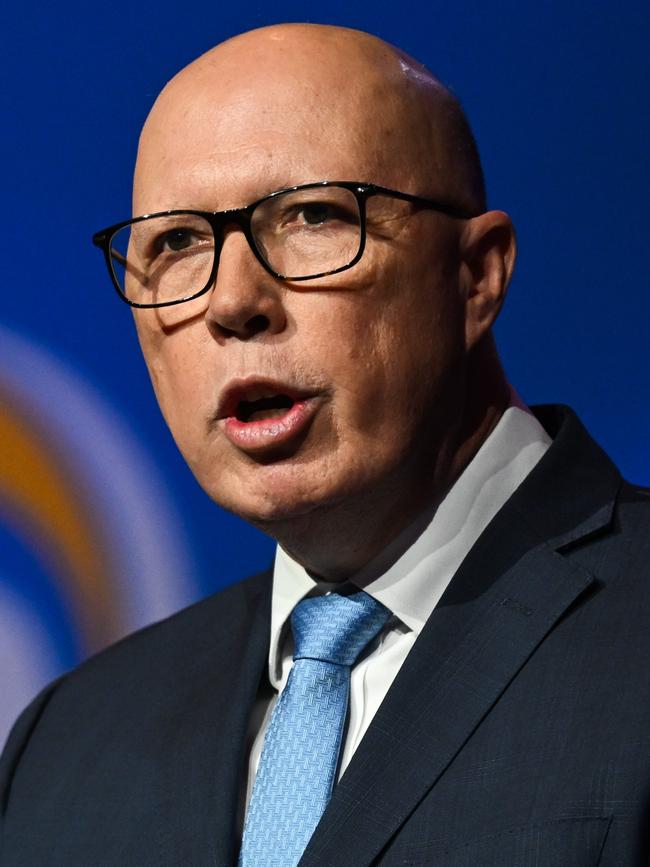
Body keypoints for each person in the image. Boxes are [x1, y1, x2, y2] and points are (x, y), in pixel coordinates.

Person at [1, 22, 648, 867]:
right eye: (177, 243)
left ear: (477, 274)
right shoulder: (68, 743)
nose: (233, 300)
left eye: (311, 215)